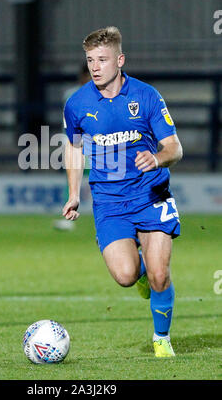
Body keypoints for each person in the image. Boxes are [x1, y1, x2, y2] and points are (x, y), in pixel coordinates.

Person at [62, 26, 183, 357]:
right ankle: (140, 273)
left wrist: (156, 158)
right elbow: (73, 149)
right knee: (127, 276)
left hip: (150, 195)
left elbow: (175, 148)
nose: (95, 67)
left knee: (161, 274)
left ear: (120, 60)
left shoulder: (146, 96)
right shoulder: (77, 103)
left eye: (102, 59)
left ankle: (161, 339)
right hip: (109, 202)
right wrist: (74, 193)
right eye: (90, 60)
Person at [53, 63, 91, 231]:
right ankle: (68, 216)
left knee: (101, 178)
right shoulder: (71, 95)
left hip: (97, 143)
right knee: (71, 178)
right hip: (76, 141)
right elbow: (67, 121)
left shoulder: (104, 94)